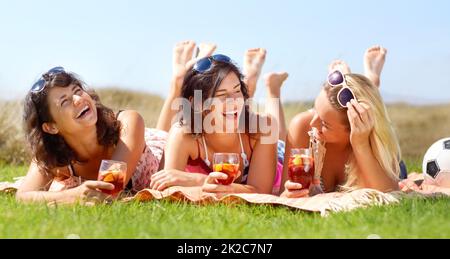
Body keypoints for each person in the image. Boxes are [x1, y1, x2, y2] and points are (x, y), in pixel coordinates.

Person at [279, 46, 403, 198]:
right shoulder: (301, 126)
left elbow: (389, 193)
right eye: (314, 109)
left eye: (324, 124)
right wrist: (288, 193)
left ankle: (370, 82)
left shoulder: (373, 140)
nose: (313, 124)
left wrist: (361, 144)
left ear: (354, 126)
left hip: (382, 158)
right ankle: (362, 82)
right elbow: (283, 194)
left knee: (400, 172)